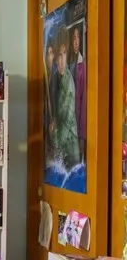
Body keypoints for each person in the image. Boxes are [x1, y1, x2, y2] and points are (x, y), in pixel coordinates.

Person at [54, 35, 80, 171]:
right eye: (59, 55)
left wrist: (54, 140)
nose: (62, 59)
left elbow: (65, 122)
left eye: (64, 54)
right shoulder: (59, 78)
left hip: (70, 150)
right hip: (66, 148)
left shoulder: (68, 83)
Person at [71, 26, 86, 164]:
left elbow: (83, 103)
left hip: (78, 127)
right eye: (73, 38)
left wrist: (82, 136)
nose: (76, 41)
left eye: (78, 37)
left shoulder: (83, 68)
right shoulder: (68, 66)